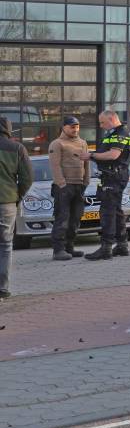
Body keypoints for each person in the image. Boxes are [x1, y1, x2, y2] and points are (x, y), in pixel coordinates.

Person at [84, 111, 130, 261]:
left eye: (102, 122)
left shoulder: (121, 133)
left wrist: (91, 156)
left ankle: (106, 248)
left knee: (107, 212)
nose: (101, 126)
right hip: (113, 175)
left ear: (112, 118)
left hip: (114, 176)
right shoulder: (116, 133)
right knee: (117, 210)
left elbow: (113, 155)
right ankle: (122, 245)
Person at [0, 116, 33, 299]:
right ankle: (2, 288)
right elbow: (28, 178)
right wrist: (17, 196)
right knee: (5, 245)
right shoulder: (17, 148)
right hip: (6, 203)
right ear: (8, 129)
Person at [47, 116, 89, 260]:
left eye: (77, 126)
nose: (75, 129)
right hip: (63, 188)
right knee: (62, 219)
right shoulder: (57, 144)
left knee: (75, 219)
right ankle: (58, 250)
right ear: (64, 127)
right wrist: (62, 184)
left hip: (79, 186)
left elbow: (86, 164)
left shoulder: (83, 143)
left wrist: (86, 182)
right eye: (72, 126)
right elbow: (55, 166)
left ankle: (69, 248)